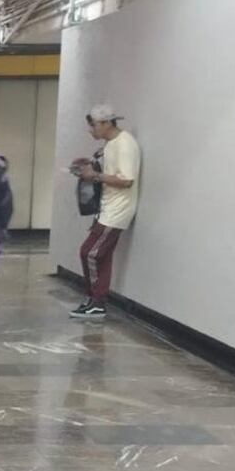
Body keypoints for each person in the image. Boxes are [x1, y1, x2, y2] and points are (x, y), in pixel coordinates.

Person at [70, 104, 141, 319]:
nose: (91, 130)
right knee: (103, 256)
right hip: (106, 207)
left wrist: (95, 176)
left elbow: (127, 180)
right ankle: (96, 301)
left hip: (117, 210)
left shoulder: (125, 144)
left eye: (93, 126)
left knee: (89, 252)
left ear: (106, 123)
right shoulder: (110, 144)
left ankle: (96, 300)